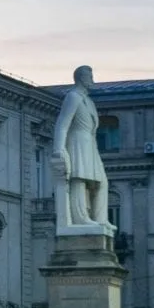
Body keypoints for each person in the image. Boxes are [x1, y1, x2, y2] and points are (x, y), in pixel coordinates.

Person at [51, 66, 116, 234]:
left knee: (102, 182)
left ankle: (101, 218)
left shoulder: (88, 101)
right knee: (79, 179)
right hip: (77, 142)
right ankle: (81, 218)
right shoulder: (73, 97)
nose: (92, 79)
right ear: (81, 78)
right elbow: (62, 124)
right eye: (89, 76)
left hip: (90, 144)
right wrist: (59, 149)